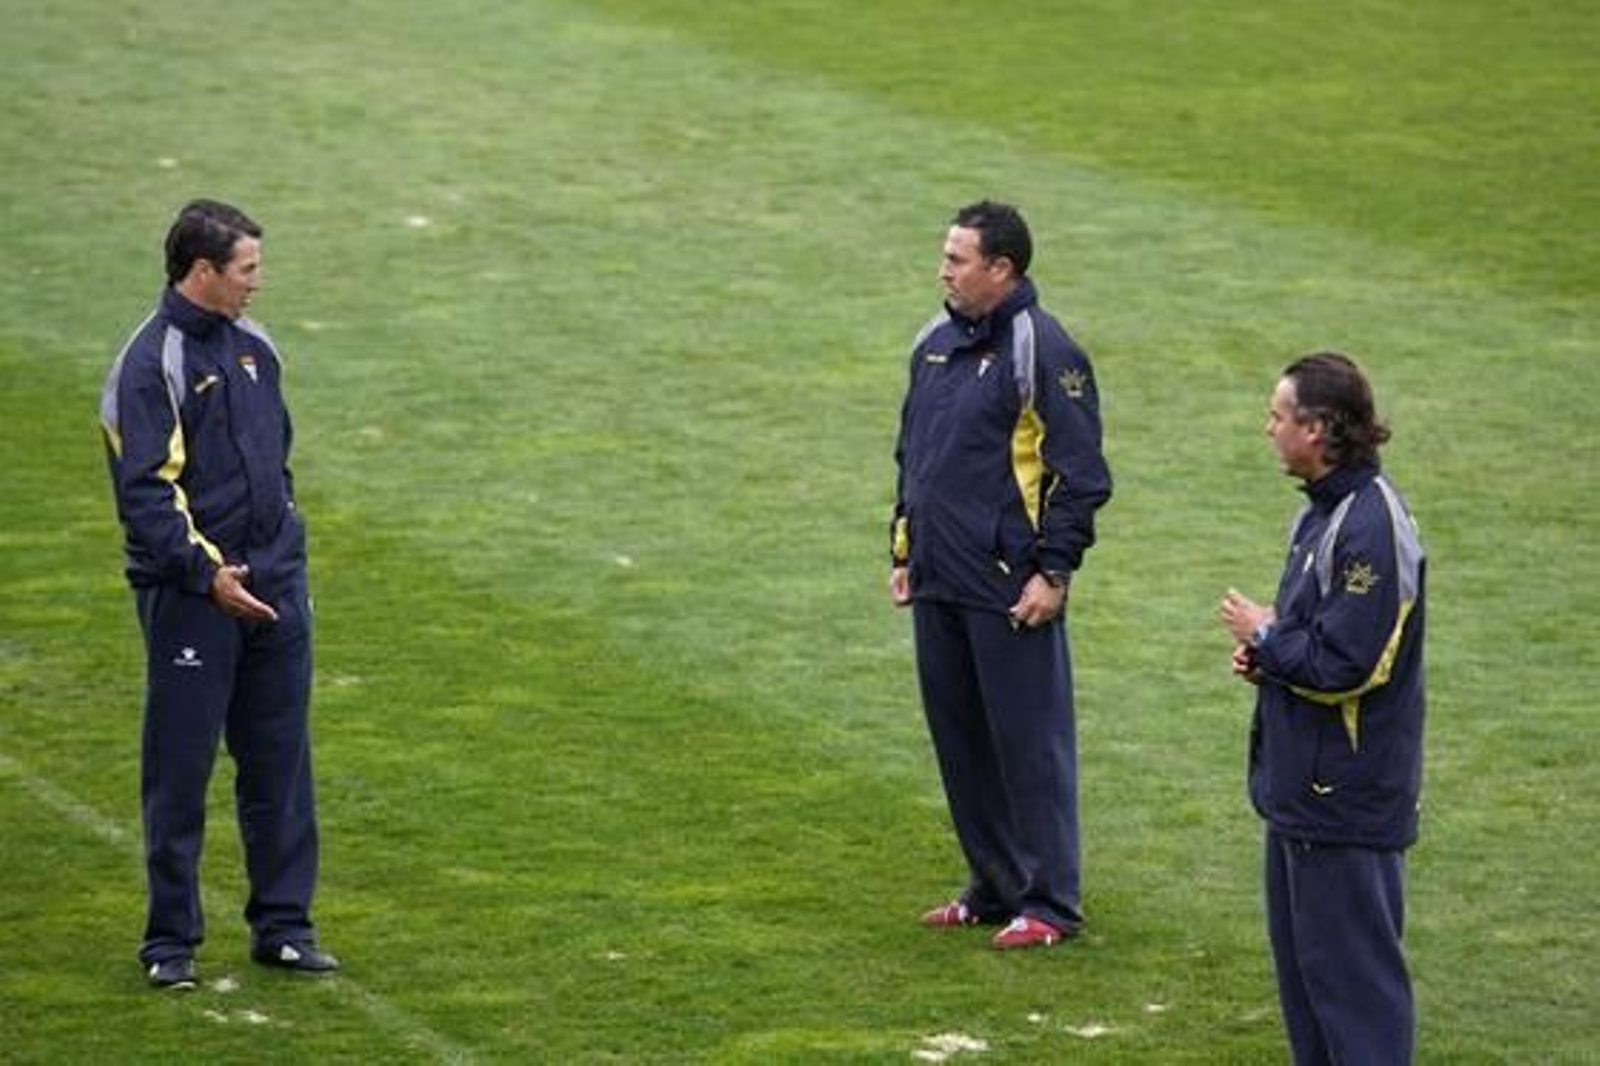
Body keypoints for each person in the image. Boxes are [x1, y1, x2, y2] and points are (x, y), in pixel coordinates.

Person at [100, 199, 338, 989]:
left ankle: (284, 926)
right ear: (202, 271)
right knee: (181, 769)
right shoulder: (148, 364)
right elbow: (145, 494)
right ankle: (170, 942)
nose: (256, 284)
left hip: (273, 587)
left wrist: (282, 556)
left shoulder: (255, 349)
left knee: (279, 765)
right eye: (246, 270)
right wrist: (210, 576)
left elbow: (278, 462)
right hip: (195, 599)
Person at [888, 200, 1112, 950]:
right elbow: (912, 456)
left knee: (1029, 744)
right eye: (946, 255)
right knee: (961, 738)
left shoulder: (1044, 351)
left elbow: (1080, 475)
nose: (943, 269)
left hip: (1009, 583)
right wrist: (903, 548)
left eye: (957, 259)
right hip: (938, 574)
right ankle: (992, 884)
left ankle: (1051, 902)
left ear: (1001, 269)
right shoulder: (933, 341)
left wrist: (1054, 573)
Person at [1218, 352, 1426, 1064]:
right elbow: (1321, 633)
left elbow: (1351, 664)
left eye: (1278, 416)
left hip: (1345, 795)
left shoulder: (1369, 526)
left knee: (1355, 991)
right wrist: (1271, 652)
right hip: (1304, 788)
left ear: (1318, 429)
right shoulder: (1323, 514)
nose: (1268, 428)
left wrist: (1268, 637)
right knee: (1310, 988)